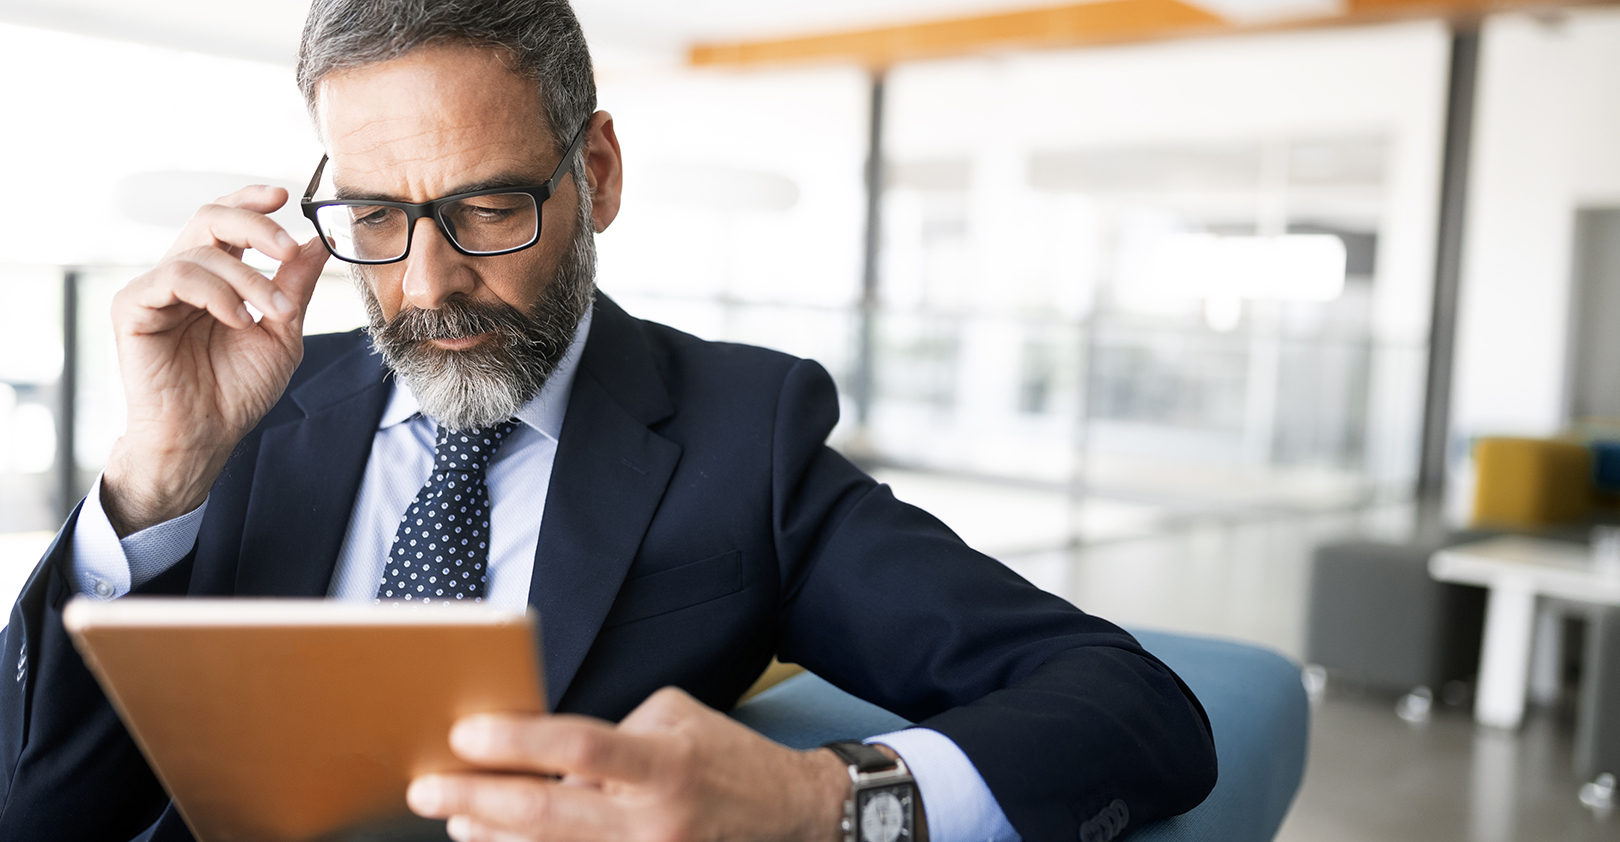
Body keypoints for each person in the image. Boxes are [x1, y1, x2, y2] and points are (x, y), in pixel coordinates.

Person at [0, 2, 1217, 840]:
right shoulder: (245, 409)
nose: (425, 284)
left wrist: (813, 803)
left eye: (486, 209)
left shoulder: (745, 440)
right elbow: (41, 807)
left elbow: (1129, 703)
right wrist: (158, 476)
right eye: (374, 215)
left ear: (600, 173)